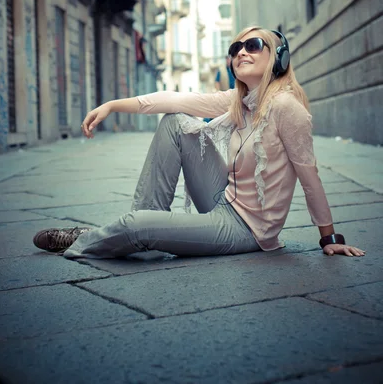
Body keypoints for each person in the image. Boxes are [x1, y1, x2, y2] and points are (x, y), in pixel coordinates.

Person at [33, 26, 365, 260]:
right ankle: (136, 226)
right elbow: (175, 99)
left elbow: (310, 177)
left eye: (253, 46)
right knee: (176, 121)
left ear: (279, 59)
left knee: (137, 227)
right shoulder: (239, 101)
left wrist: (329, 238)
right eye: (235, 49)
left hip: (244, 230)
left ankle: (101, 235)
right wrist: (112, 105)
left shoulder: (287, 108)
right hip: (221, 197)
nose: (241, 53)